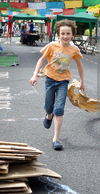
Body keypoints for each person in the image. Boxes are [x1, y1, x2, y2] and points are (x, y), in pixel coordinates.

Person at [29, 20, 85, 150]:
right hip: (50, 79)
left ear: (72, 35)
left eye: (68, 33)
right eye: (63, 33)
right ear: (58, 34)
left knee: (59, 109)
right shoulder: (52, 46)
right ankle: (48, 115)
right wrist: (35, 75)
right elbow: (42, 59)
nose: (65, 36)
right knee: (49, 106)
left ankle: (56, 139)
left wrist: (82, 82)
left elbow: (79, 65)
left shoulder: (74, 49)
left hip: (63, 81)